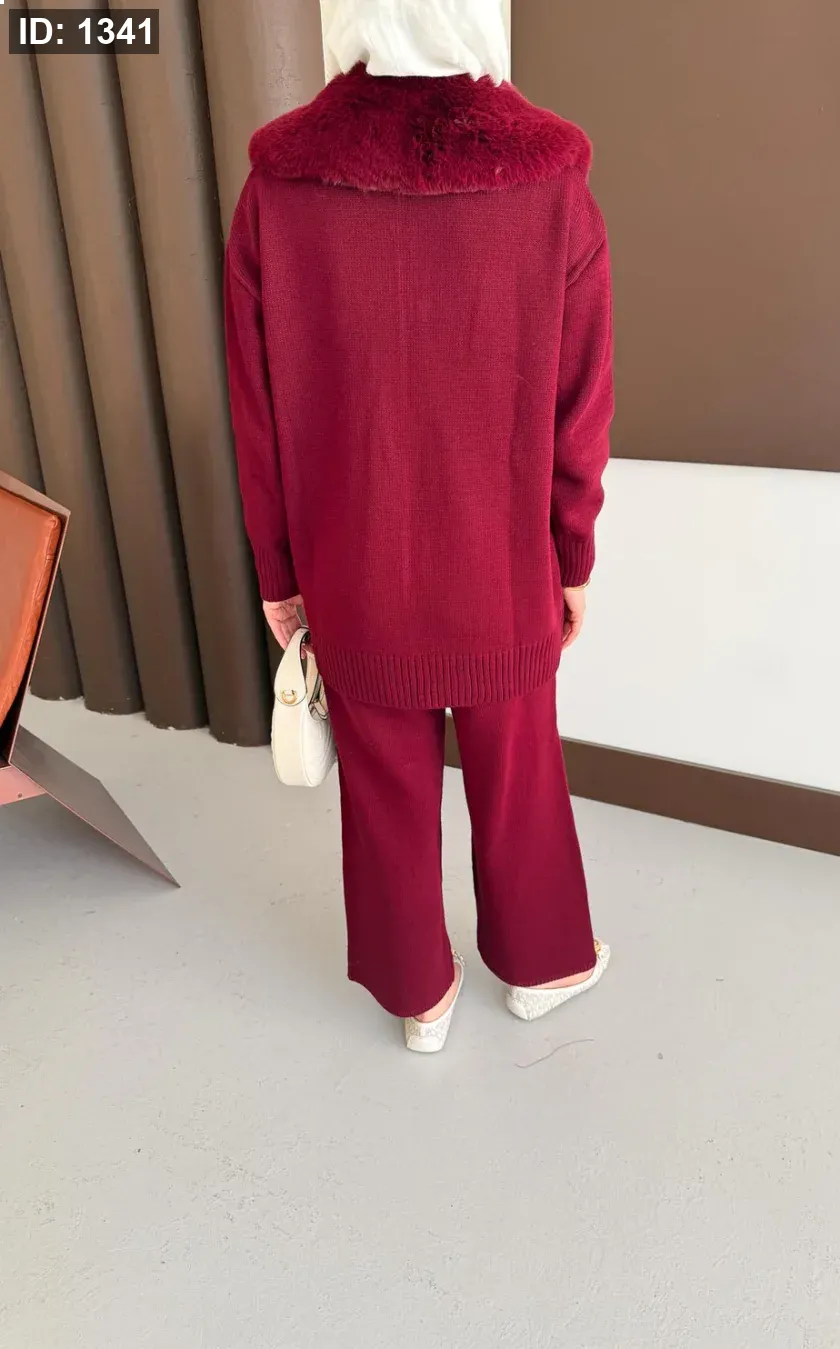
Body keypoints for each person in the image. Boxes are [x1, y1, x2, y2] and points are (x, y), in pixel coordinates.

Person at [225, 0, 614, 1052]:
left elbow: (258, 411)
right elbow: (581, 406)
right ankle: (541, 963)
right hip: (502, 564)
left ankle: (418, 996)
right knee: (519, 772)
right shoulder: (550, 183)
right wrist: (572, 551)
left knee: (384, 782)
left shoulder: (277, 190)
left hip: (354, 563)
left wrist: (278, 570)